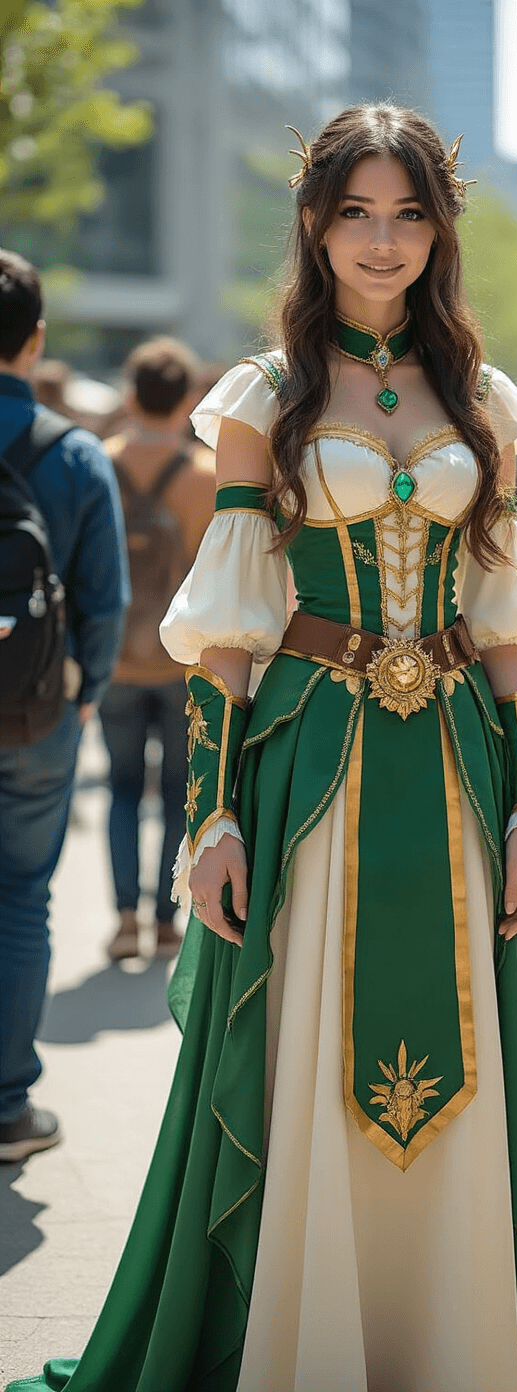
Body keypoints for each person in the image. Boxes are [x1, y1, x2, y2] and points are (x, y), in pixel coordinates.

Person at [6, 108, 517, 1392]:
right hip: (310, 756)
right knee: (302, 1039)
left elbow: (507, 624)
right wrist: (210, 818)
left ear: (440, 227)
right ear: (314, 223)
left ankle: (449, 1339)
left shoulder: (482, 400)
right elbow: (228, 626)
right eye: (356, 212)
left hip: (460, 765)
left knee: (458, 1038)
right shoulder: (264, 396)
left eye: (409, 213)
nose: (382, 240)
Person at [0, 250, 129, 1164]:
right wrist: (89, 693)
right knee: (20, 898)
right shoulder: (74, 452)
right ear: (36, 340)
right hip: (38, 709)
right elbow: (105, 600)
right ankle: (8, 1107)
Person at [99, 337, 216, 961]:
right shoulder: (207, 475)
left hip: (114, 657)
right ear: (188, 399)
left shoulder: (99, 462)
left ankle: (123, 920)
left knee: (120, 788)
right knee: (179, 791)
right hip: (185, 662)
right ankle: (167, 922)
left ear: (129, 394)